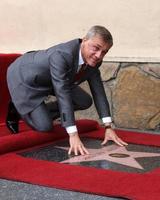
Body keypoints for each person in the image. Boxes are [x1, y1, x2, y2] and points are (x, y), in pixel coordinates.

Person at [6, 25, 128, 155]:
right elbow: (62, 93)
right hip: (26, 78)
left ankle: (40, 113)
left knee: (84, 101)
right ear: (84, 40)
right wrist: (73, 134)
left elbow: (98, 91)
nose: (99, 55)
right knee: (45, 126)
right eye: (96, 48)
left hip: (56, 79)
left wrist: (108, 126)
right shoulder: (62, 55)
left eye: (104, 52)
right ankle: (17, 108)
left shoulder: (95, 60)